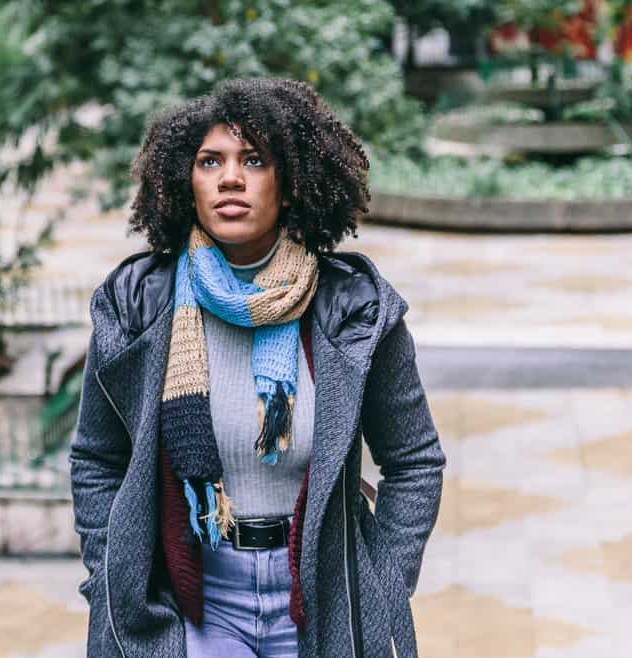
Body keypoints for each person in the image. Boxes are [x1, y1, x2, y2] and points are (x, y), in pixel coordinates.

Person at [70, 77, 445, 658]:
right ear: (184, 181)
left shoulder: (355, 308)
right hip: (198, 600)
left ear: (290, 183)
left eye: (254, 160)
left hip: (320, 597)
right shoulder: (138, 305)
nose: (230, 178)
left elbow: (415, 460)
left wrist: (383, 579)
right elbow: (96, 458)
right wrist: (109, 576)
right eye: (209, 161)